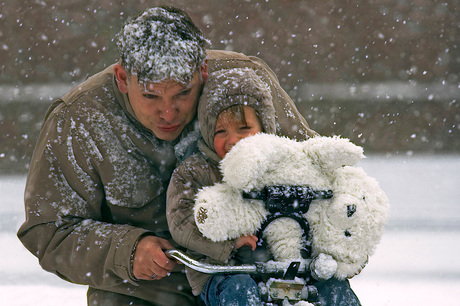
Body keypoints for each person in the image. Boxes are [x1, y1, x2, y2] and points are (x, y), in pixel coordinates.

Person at [17, 6, 316, 306]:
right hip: (142, 291)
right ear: (122, 78)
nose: (168, 112)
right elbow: (49, 231)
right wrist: (126, 251)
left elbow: (316, 173)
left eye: (183, 93)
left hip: (257, 275)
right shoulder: (78, 120)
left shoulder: (246, 87)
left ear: (203, 71)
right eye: (151, 96)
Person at [167, 68, 362, 305]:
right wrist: (227, 245)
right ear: (208, 132)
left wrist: (342, 247)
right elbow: (181, 220)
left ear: (264, 127)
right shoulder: (196, 172)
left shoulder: (288, 164)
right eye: (220, 131)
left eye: (244, 128)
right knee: (240, 290)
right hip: (222, 273)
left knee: (334, 289)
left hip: (291, 269)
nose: (233, 140)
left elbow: (328, 205)